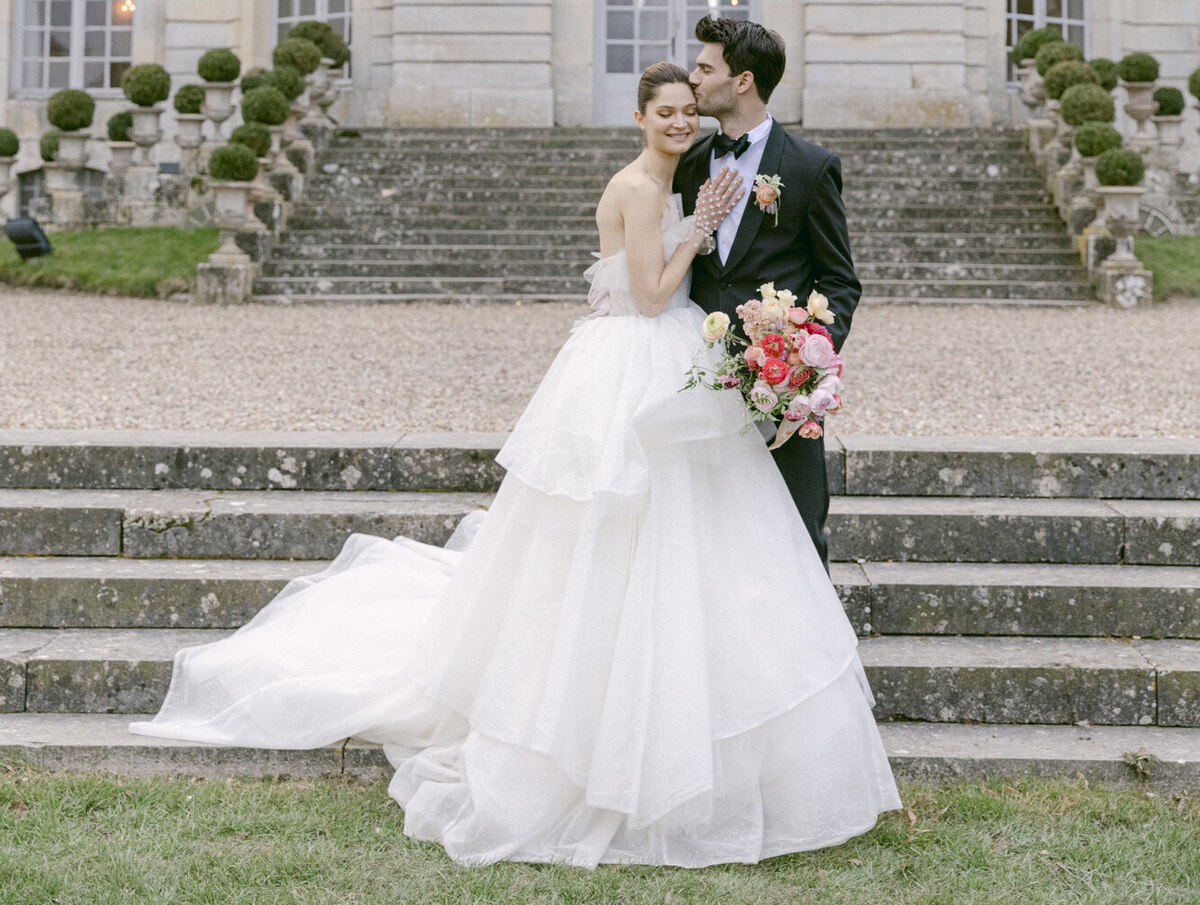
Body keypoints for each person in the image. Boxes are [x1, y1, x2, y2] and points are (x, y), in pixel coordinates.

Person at [130, 62, 898, 866]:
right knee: (616, 525)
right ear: (639, 118)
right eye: (665, 111)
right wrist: (699, 230)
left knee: (692, 533)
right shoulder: (644, 187)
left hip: (675, 359)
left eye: (687, 109)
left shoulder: (702, 167)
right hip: (638, 357)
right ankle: (589, 722)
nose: (680, 120)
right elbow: (647, 295)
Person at [676, 17, 859, 567]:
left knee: (797, 531)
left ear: (742, 82)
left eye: (705, 68)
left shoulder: (809, 168)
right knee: (702, 531)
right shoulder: (686, 166)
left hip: (782, 385)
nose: (693, 78)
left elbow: (839, 281)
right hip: (696, 379)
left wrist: (807, 365)